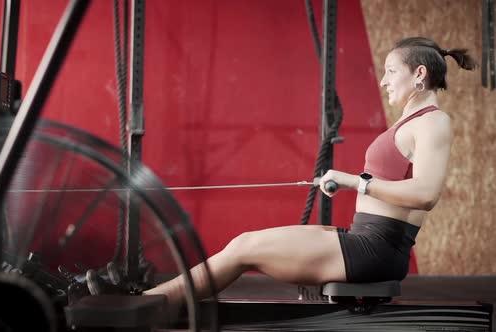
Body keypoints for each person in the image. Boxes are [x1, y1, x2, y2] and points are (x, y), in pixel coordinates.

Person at [143, 37, 478, 308]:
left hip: (376, 250)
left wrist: (354, 182)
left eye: (391, 71)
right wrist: (354, 184)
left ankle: (146, 306)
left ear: (419, 74)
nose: (383, 80)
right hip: (363, 238)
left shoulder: (433, 122)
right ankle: (147, 302)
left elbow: (426, 195)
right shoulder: (411, 123)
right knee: (242, 243)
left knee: (244, 249)